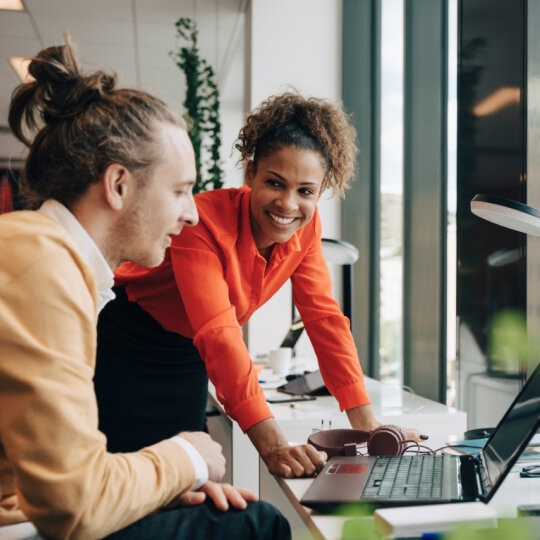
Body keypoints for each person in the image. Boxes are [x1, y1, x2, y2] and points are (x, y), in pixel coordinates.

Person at [0, 38, 290, 540]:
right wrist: (185, 457)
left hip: (27, 511)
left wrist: (158, 486)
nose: (191, 212)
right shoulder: (42, 266)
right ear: (118, 186)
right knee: (256, 526)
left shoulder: (54, 260)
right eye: (179, 190)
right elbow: (73, 506)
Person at [95, 92, 426, 479]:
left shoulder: (307, 228)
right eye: (275, 183)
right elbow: (219, 332)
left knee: (185, 479)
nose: (288, 204)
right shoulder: (201, 222)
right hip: (126, 339)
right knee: (126, 475)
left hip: (187, 351)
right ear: (250, 174)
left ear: (320, 193)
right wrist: (273, 444)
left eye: (306, 191)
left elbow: (323, 318)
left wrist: (369, 426)